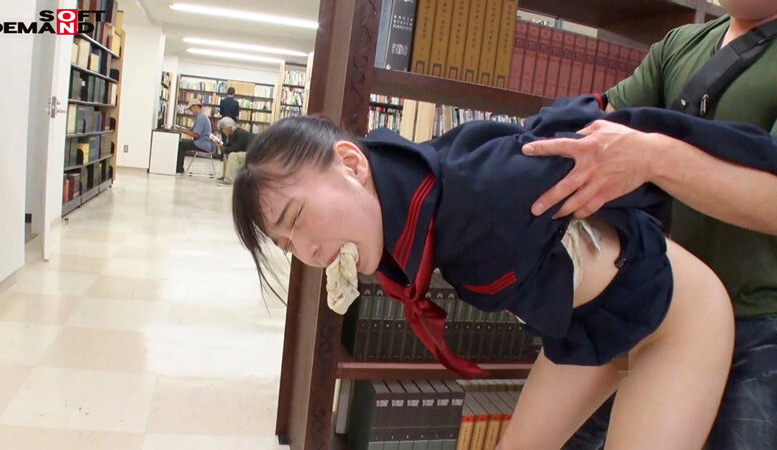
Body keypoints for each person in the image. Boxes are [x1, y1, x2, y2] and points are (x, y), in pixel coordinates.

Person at [231, 100, 777, 448]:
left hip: (675, 321)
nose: (309, 251)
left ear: (352, 164)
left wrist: (753, 161)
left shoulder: (485, 191)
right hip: (589, 332)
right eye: (287, 245)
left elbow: (620, 134)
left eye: (296, 218)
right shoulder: (411, 212)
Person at [517, 4, 776, 449]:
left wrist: (652, 158)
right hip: (646, 306)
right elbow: (600, 130)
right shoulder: (680, 45)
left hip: (758, 327)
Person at [175, 98, 213, 174]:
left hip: (202, 144)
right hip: (204, 143)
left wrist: (183, 131)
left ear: (195, 106)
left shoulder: (201, 117)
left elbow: (196, 134)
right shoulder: (202, 116)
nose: (190, 110)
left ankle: (179, 169)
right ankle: (179, 168)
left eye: (191, 108)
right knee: (182, 143)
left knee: (181, 145)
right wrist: (184, 130)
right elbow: (192, 130)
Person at [215, 116, 253, 186]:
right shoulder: (231, 134)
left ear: (229, 127)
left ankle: (229, 180)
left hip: (253, 154)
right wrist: (222, 146)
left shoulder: (240, 133)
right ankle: (225, 176)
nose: (222, 131)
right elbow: (229, 147)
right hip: (247, 152)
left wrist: (222, 147)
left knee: (232, 155)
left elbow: (235, 148)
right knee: (227, 154)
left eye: (223, 128)